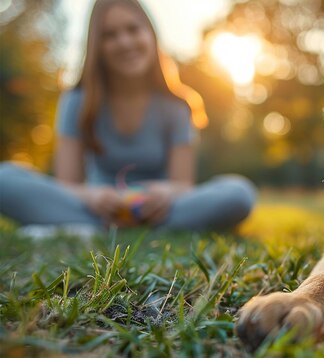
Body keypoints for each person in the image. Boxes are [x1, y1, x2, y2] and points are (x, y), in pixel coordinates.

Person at [0, 0, 256, 234]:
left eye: (133, 29)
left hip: (161, 212)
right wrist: (95, 197)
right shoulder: (76, 100)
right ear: (96, 46)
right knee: (4, 179)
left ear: (150, 34)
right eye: (110, 35)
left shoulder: (177, 106)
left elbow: (182, 185)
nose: (124, 42)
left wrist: (164, 193)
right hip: (96, 209)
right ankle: (102, 226)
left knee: (238, 193)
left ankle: (83, 228)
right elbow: (68, 185)